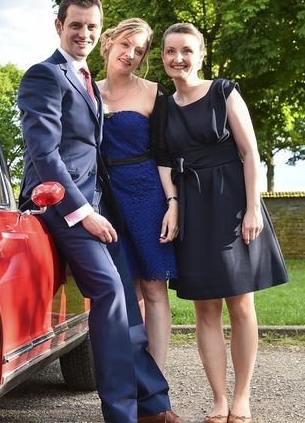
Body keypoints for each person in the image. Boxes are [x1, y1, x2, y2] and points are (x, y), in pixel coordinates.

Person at [18, 0, 183, 423]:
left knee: (127, 300)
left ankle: (152, 405)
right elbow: (44, 154)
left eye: (91, 26)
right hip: (59, 202)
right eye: (76, 25)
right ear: (59, 26)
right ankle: (121, 414)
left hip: (98, 203)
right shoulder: (44, 75)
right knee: (109, 292)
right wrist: (83, 212)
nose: (84, 33)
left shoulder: (86, 78)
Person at [157, 22, 289, 423]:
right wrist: (174, 204)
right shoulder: (163, 105)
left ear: (200, 55)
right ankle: (218, 399)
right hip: (193, 208)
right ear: (162, 57)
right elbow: (163, 160)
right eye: (169, 51)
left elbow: (250, 153)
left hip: (232, 203)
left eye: (186, 50)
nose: (177, 58)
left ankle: (242, 398)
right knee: (205, 310)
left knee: (242, 304)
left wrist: (253, 208)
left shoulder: (224, 91)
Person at [96, 18, 178, 371]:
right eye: (126, 44)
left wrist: (172, 203)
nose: (130, 54)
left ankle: (156, 381)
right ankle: (129, 374)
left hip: (147, 194)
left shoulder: (153, 91)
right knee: (124, 291)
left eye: (139, 50)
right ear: (110, 40)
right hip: (105, 197)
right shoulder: (85, 89)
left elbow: (164, 153)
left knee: (154, 287)